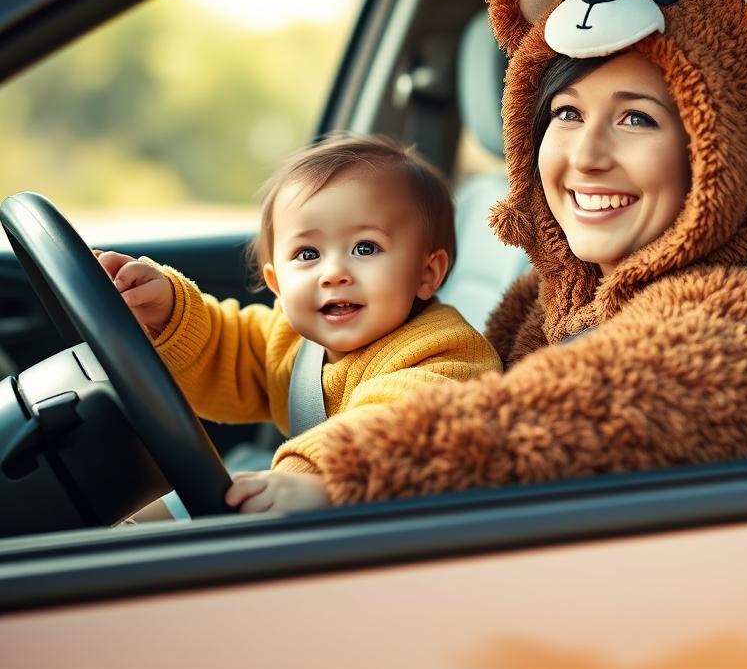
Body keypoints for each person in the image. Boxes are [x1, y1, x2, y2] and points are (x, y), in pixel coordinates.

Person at [300, 0, 747, 506]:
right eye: (566, 112)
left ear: (733, 146)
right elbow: (440, 374)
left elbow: (542, 420)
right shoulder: (548, 300)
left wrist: (343, 468)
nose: (586, 157)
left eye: (637, 119)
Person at [97, 134, 502, 514]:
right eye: (308, 254)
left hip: (378, 533)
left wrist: (321, 479)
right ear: (277, 284)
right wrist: (168, 311)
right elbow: (229, 351)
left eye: (365, 248)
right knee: (154, 514)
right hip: (310, 502)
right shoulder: (293, 339)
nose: (333, 273)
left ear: (426, 273)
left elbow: (402, 424)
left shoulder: (446, 351)